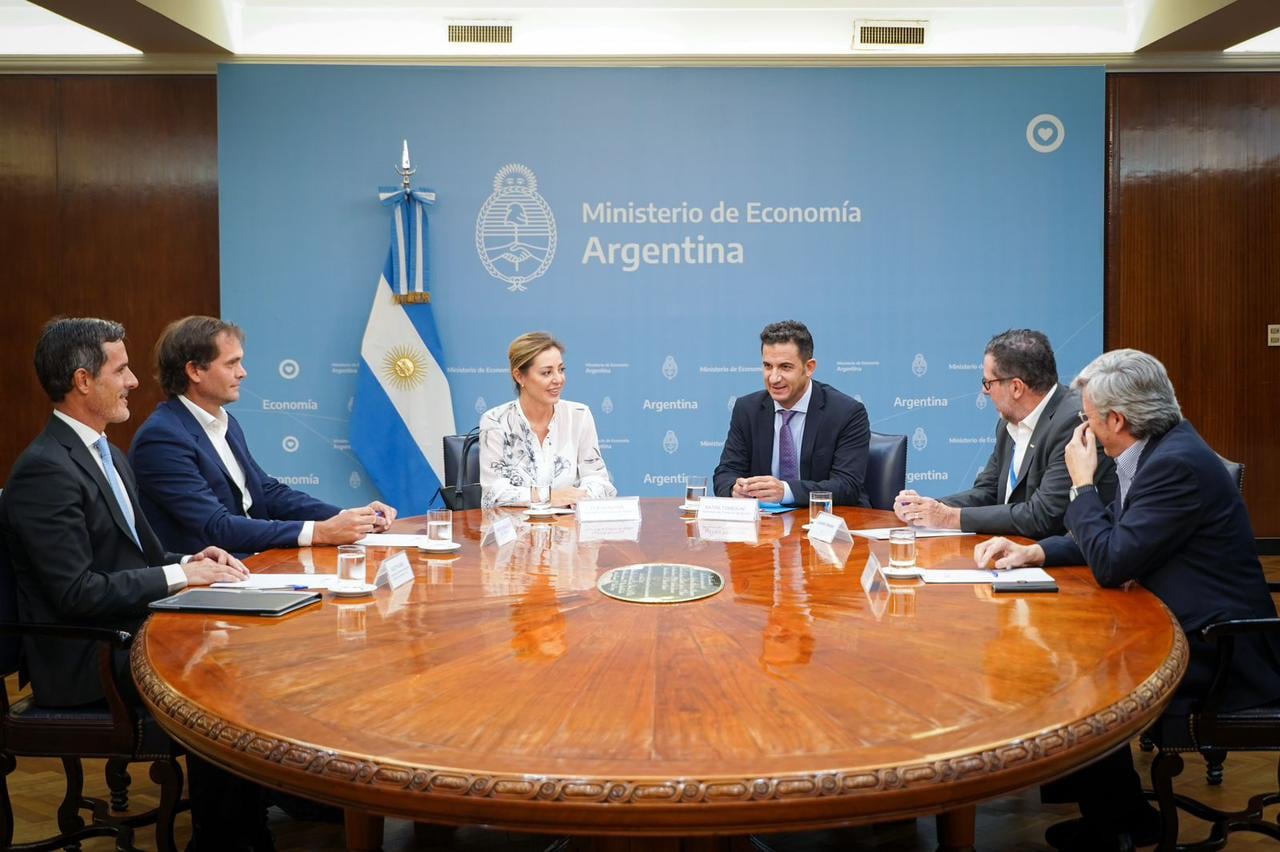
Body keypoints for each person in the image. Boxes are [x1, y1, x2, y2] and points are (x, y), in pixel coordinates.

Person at [975, 348, 1280, 851]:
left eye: (1088, 417)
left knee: (1082, 677)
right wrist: (1036, 552)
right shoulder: (1155, 449)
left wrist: (1081, 485)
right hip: (1177, 618)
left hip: (1220, 650)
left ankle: (1118, 824)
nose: (1084, 427)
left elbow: (1113, 560)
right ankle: (1117, 813)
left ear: (1115, 420)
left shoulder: (1174, 464)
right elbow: (1119, 533)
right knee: (1069, 656)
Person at [0, 317, 271, 851]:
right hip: (88, 658)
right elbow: (76, 592)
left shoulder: (107, 453)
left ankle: (258, 813)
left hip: (127, 633)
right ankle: (230, 839)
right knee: (222, 674)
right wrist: (180, 574)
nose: (134, 382)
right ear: (83, 381)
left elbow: (141, 557)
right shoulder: (45, 470)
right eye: (121, 370)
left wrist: (190, 558)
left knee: (246, 648)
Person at [129, 316, 395, 557]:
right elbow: (216, 526)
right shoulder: (162, 438)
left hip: (253, 564)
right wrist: (320, 532)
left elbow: (266, 492)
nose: (242, 373)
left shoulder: (226, 422)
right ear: (195, 371)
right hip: (211, 578)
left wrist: (350, 518)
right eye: (231, 363)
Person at [895, 329, 1116, 538]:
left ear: (1016, 387)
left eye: (988, 383)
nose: (984, 391)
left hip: (1057, 558)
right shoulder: (1009, 422)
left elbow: (1044, 516)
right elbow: (988, 491)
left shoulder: (1074, 422)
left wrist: (949, 517)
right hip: (1012, 551)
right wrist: (927, 508)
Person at [713, 320, 869, 507]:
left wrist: (785, 492)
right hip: (766, 521)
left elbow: (847, 486)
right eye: (768, 366)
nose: (774, 378)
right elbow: (725, 472)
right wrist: (735, 489)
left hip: (826, 519)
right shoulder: (747, 409)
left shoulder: (846, 413)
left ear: (809, 367)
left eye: (785, 367)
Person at [479, 332, 616, 508]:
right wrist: (549, 497)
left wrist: (577, 497)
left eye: (561, 370)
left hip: (568, 521)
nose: (558, 379)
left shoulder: (579, 415)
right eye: (546, 373)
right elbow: (494, 492)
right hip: (515, 524)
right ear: (519, 376)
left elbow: (598, 480)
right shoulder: (495, 421)